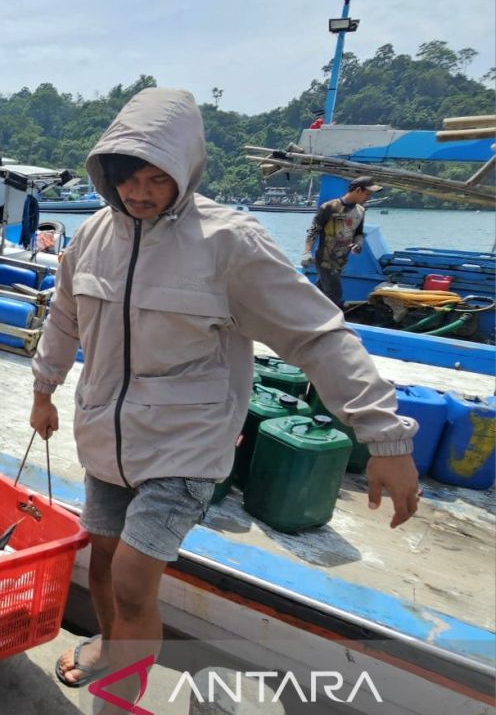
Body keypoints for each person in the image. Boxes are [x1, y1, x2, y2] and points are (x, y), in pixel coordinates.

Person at [30, 89, 418, 706]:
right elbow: (64, 319)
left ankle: (120, 696)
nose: (139, 192)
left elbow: (316, 334)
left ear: (186, 172)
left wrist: (386, 438)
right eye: (127, 177)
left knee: (133, 583)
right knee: (100, 562)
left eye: (157, 178)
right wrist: (44, 388)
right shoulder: (92, 238)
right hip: (105, 437)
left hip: (185, 446)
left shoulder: (228, 241)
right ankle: (110, 649)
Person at [302, 176, 383, 308]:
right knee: (335, 295)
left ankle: (301, 310)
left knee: (320, 290)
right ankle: (329, 323)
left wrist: (358, 245)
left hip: (341, 261)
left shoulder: (360, 211)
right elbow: (313, 231)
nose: (369, 198)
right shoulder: (329, 207)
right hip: (325, 259)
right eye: (367, 194)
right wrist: (306, 252)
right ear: (358, 190)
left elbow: (358, 234)